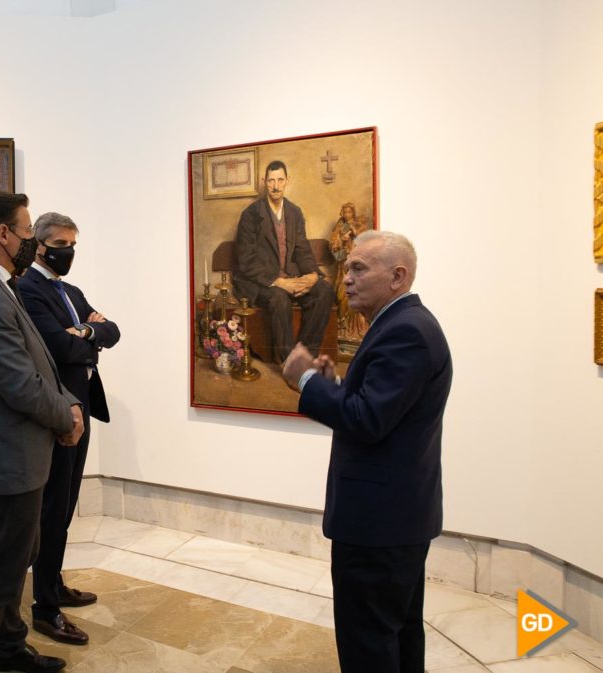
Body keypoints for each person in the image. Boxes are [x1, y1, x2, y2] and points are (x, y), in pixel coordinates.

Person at [281, 230, 452, 673]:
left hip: (379, 524)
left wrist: (305, 381)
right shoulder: (402, 325)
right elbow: (382, 410)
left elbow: (367, 420)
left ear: (398, 276)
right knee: (397, 634)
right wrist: (334, 386)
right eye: (346, 268)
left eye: (359, 268)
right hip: (396, 517)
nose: (347, 279)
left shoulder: (406, 332)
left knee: (369, 644)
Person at [0, 191, 84, 673]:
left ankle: (9, 649)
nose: (32, 242)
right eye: (27, 233)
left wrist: (66, 400)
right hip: (9, 456)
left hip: (19, 453)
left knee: (14, 559)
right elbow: (17, 382)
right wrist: (65, 416)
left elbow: (36, 361)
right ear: (3, 234)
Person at [18, 212, 120, 646]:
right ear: (40, 245)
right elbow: (57, 346)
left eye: (74, 244)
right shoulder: (29, 289)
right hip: (58, 410)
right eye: (62, 243)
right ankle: (45, 606)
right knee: (52, 508)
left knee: (67, 503)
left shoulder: (70, 291)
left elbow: (112, 332)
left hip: (82, 406)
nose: (69, 252)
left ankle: (54, 583)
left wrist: (85, 329)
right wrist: (86, 331)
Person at [232, 160, 335, 362]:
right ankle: (288, 364)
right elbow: (246, 261)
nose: (276, 186)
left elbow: (302, 249)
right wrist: (279, 281)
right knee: (279, 298)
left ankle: (304, 356)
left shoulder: (294, 212)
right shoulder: (250, 215)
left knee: (324, 291)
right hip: (260, 282)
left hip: (290, 277)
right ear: (265, 182)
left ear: (287, 181)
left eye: (280, 180)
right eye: (271, 181)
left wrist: (313, 275)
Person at [328, 203, 370, 342]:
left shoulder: (358, 225)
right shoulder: (339, 226)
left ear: (353, 213)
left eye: (349, 212)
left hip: (356, 266)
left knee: (356, 292)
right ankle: (342, 328)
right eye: (344, 212)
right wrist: (340, 241)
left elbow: (365, 241)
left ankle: (354, 331)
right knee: (341, 294)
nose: (347, 215)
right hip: (342, 267)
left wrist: (352, 233)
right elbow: (333, 245)